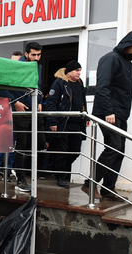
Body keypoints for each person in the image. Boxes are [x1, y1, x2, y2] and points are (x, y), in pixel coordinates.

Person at [84, 31, 132, 200]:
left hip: (120, 114)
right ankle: (90, 183)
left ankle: (108, 189)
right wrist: (108, 111)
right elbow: (102, 87)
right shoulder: (110, 58)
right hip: (109, 113)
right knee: (113, 147)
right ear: (127, 44)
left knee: (119, 151)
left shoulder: (128, 64)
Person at [2, 42, 44, 193]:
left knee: (40, 143)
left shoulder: (38, 66)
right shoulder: (15, 66)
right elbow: (3, 86)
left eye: (39, 55)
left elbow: (38, 86)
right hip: (21, 111)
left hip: (34, 110)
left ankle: (16, 169)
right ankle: (20, 178)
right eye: (33, 55)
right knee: (22, 144)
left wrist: (39, 102)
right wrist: (15, 102)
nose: (36, 58)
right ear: (26, 54)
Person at [45, 61, 89, 189]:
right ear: (69, 71)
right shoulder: (60, 83)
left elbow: (82, 101)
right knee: (62, 151)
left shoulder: (80, 83)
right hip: (63, 123)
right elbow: (52, 103)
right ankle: (61, 176)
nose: (79, 73)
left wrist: (86, 115)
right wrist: (53, 121)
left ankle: (58, 171)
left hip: (77, 123)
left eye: (80, 70)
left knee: (75, 151)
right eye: (76, 70)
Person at [0, 52, 24, 182]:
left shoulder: (21, 76)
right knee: (6, 143)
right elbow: (0, 91)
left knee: (12, 145)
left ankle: (7, 171)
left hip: (18, 116)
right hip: (5, 114)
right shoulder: (5, 76)